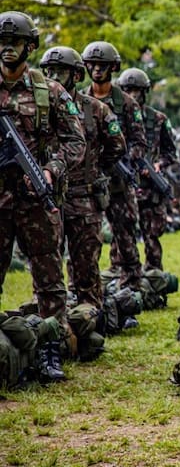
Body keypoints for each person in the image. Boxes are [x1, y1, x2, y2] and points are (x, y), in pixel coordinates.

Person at [0, 12, 86, 381]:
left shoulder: (49, 91)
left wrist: (51, 169)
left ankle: (50, 349)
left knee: (50, 280)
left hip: (36, 200)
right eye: (2, 43)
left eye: (14, 43)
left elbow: (75, 141)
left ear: (30, 47)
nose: (7, 50)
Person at [40, 46, 126, 314]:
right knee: (47, 268)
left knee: (86, 268)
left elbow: (117, 146)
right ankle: (53, 326)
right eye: (50, 71)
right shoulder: (39, 108)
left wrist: (94, 168)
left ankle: (90, 323)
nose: (54, 77)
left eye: (61, 72)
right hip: (50, 197)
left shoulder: (96, 110)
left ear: (76, 76)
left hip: (84, 200)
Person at [81, 41, 147, 293]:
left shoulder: (128, 104)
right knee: (86, 239)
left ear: (113, 68)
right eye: (93, 65)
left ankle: (131, 290)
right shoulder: (79, 100)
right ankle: (86, 291)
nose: (97, 70)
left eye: (103, 65)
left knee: (126, 237)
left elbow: (140, 142)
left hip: (119, 181)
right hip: (88, 180)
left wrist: (124, 160)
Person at [118, 67, 177, 271]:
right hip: (124, 187)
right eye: (129, 90)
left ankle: (154, 280)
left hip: (151, 188)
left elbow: (171, 152)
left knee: (152, 238)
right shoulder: (115, 120)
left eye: (138, 91)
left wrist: (159, 164)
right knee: (122, 239)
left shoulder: (158, 120)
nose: (133, 95)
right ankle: (123, 280)